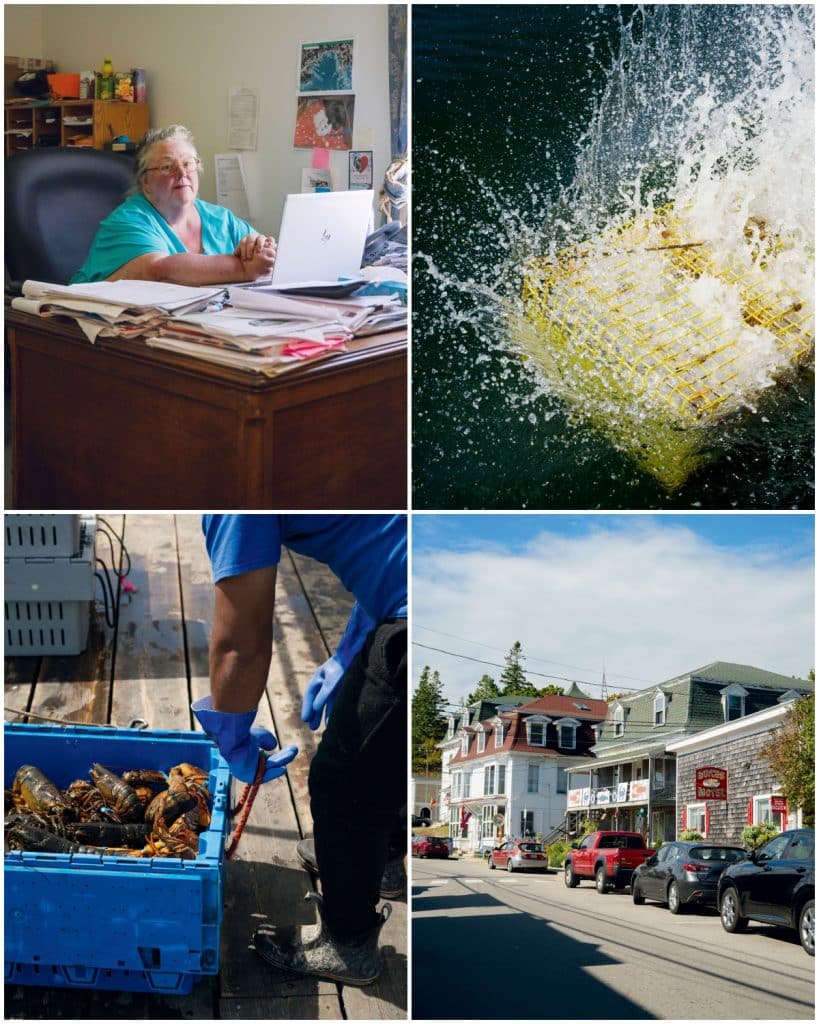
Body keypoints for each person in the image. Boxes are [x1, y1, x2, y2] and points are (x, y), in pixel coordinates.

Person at [192, 514, 407, 986]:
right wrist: (348, 650)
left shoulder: (235, 482)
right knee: (384, 740)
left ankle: (348, 944)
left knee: (343, 785)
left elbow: (239, 645)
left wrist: (228, 733)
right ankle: (383, 860)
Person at [71, 124, 276, 285]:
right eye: (167, 167)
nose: (182, 173)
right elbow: (158, 271)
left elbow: (267, 259)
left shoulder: (222, 219)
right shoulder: (129, 220)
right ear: (146, 183)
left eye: (188, 163)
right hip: (89, 329)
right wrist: (244, 269)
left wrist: (261, 249)